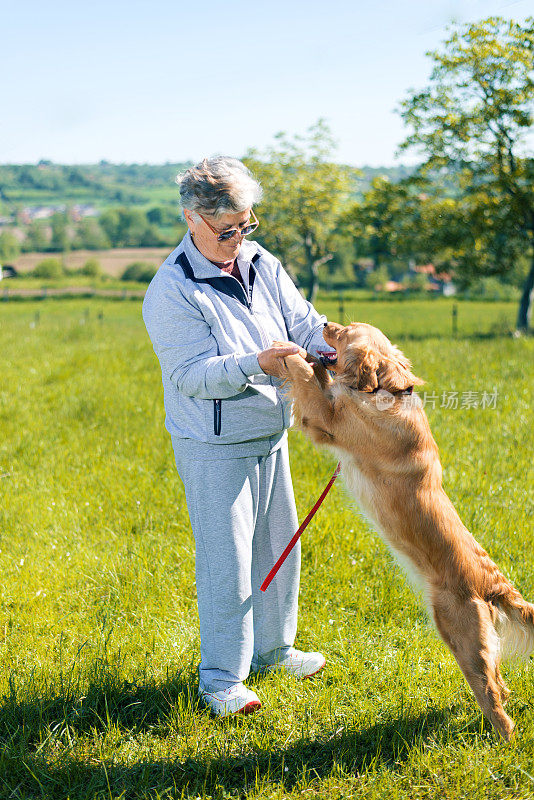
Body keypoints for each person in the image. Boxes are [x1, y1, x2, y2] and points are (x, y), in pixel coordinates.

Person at [142, 156, 329, 717]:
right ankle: (221, 679)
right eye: (227, 231)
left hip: (272, 430)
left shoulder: (258, 259)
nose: (238, 239)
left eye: (246, 225)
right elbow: (189, 375)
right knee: (227, 561)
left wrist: (332, 342)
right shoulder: (171, 290)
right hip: (213, 444)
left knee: (278, 549)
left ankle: (275, 650)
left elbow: (301, 320)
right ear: (192, 218)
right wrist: (256, 362)